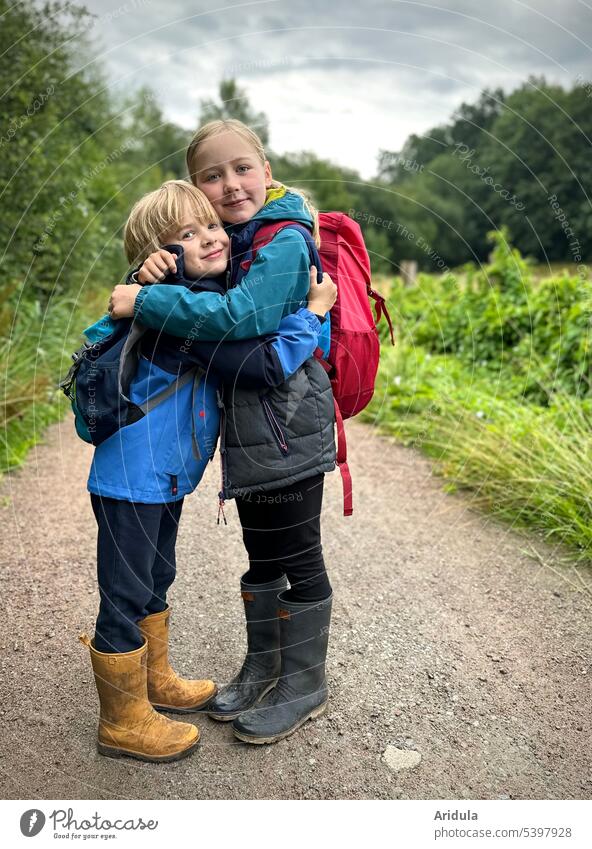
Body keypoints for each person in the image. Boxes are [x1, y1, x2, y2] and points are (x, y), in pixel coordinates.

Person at [80, 179, 336, 762]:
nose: (211, 239)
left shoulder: (194, 296)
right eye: (186, 235)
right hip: (133, 479)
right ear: (161, 255)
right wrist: (314, 315)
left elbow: (249, 310)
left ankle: (154, 679)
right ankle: (121, 721)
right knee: (123, 593)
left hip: (161, 478)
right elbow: (260, 363)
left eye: (212, 226)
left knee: (156, 575)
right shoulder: (180, 312)